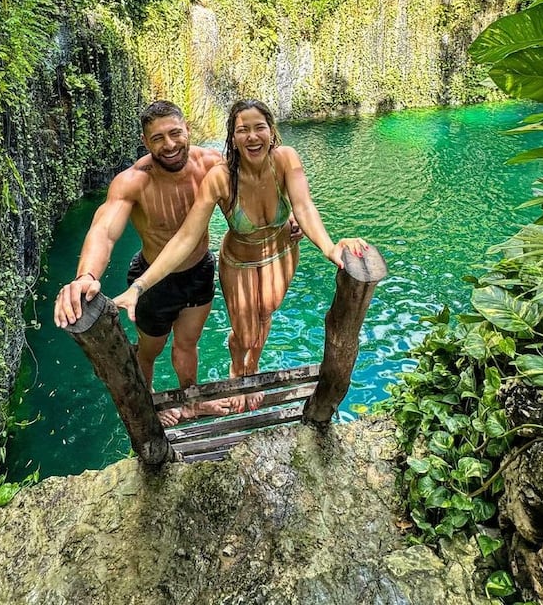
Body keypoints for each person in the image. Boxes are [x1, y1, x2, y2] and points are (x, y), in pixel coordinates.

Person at [113, 98, 368, 410]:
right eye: (242, 130)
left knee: (265, 314)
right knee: (245, 335)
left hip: (281, 253)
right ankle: (238, 371)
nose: (252, 136)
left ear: (271, 131)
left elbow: (303, 206)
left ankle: (251, 370)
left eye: (259, 127)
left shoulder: (286, 159)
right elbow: (186, 238)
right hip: (241, 262)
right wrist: (139, 286)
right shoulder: (221, 177)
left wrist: (330, 248)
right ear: (232, 138)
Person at [53, 100, 235, 425]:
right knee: (149, 351)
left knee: (187, 344)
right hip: (153, 282)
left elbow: (244, 207)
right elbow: (105, 230)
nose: (169, 145)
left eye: (175, 133)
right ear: (144, 140)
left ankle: (192, 400)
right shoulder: (134, 180)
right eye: (158, 138)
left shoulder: (211, 164)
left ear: (187, 129)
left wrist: (287, 220)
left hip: (200, 271)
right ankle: (146, 404)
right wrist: (86, 275)